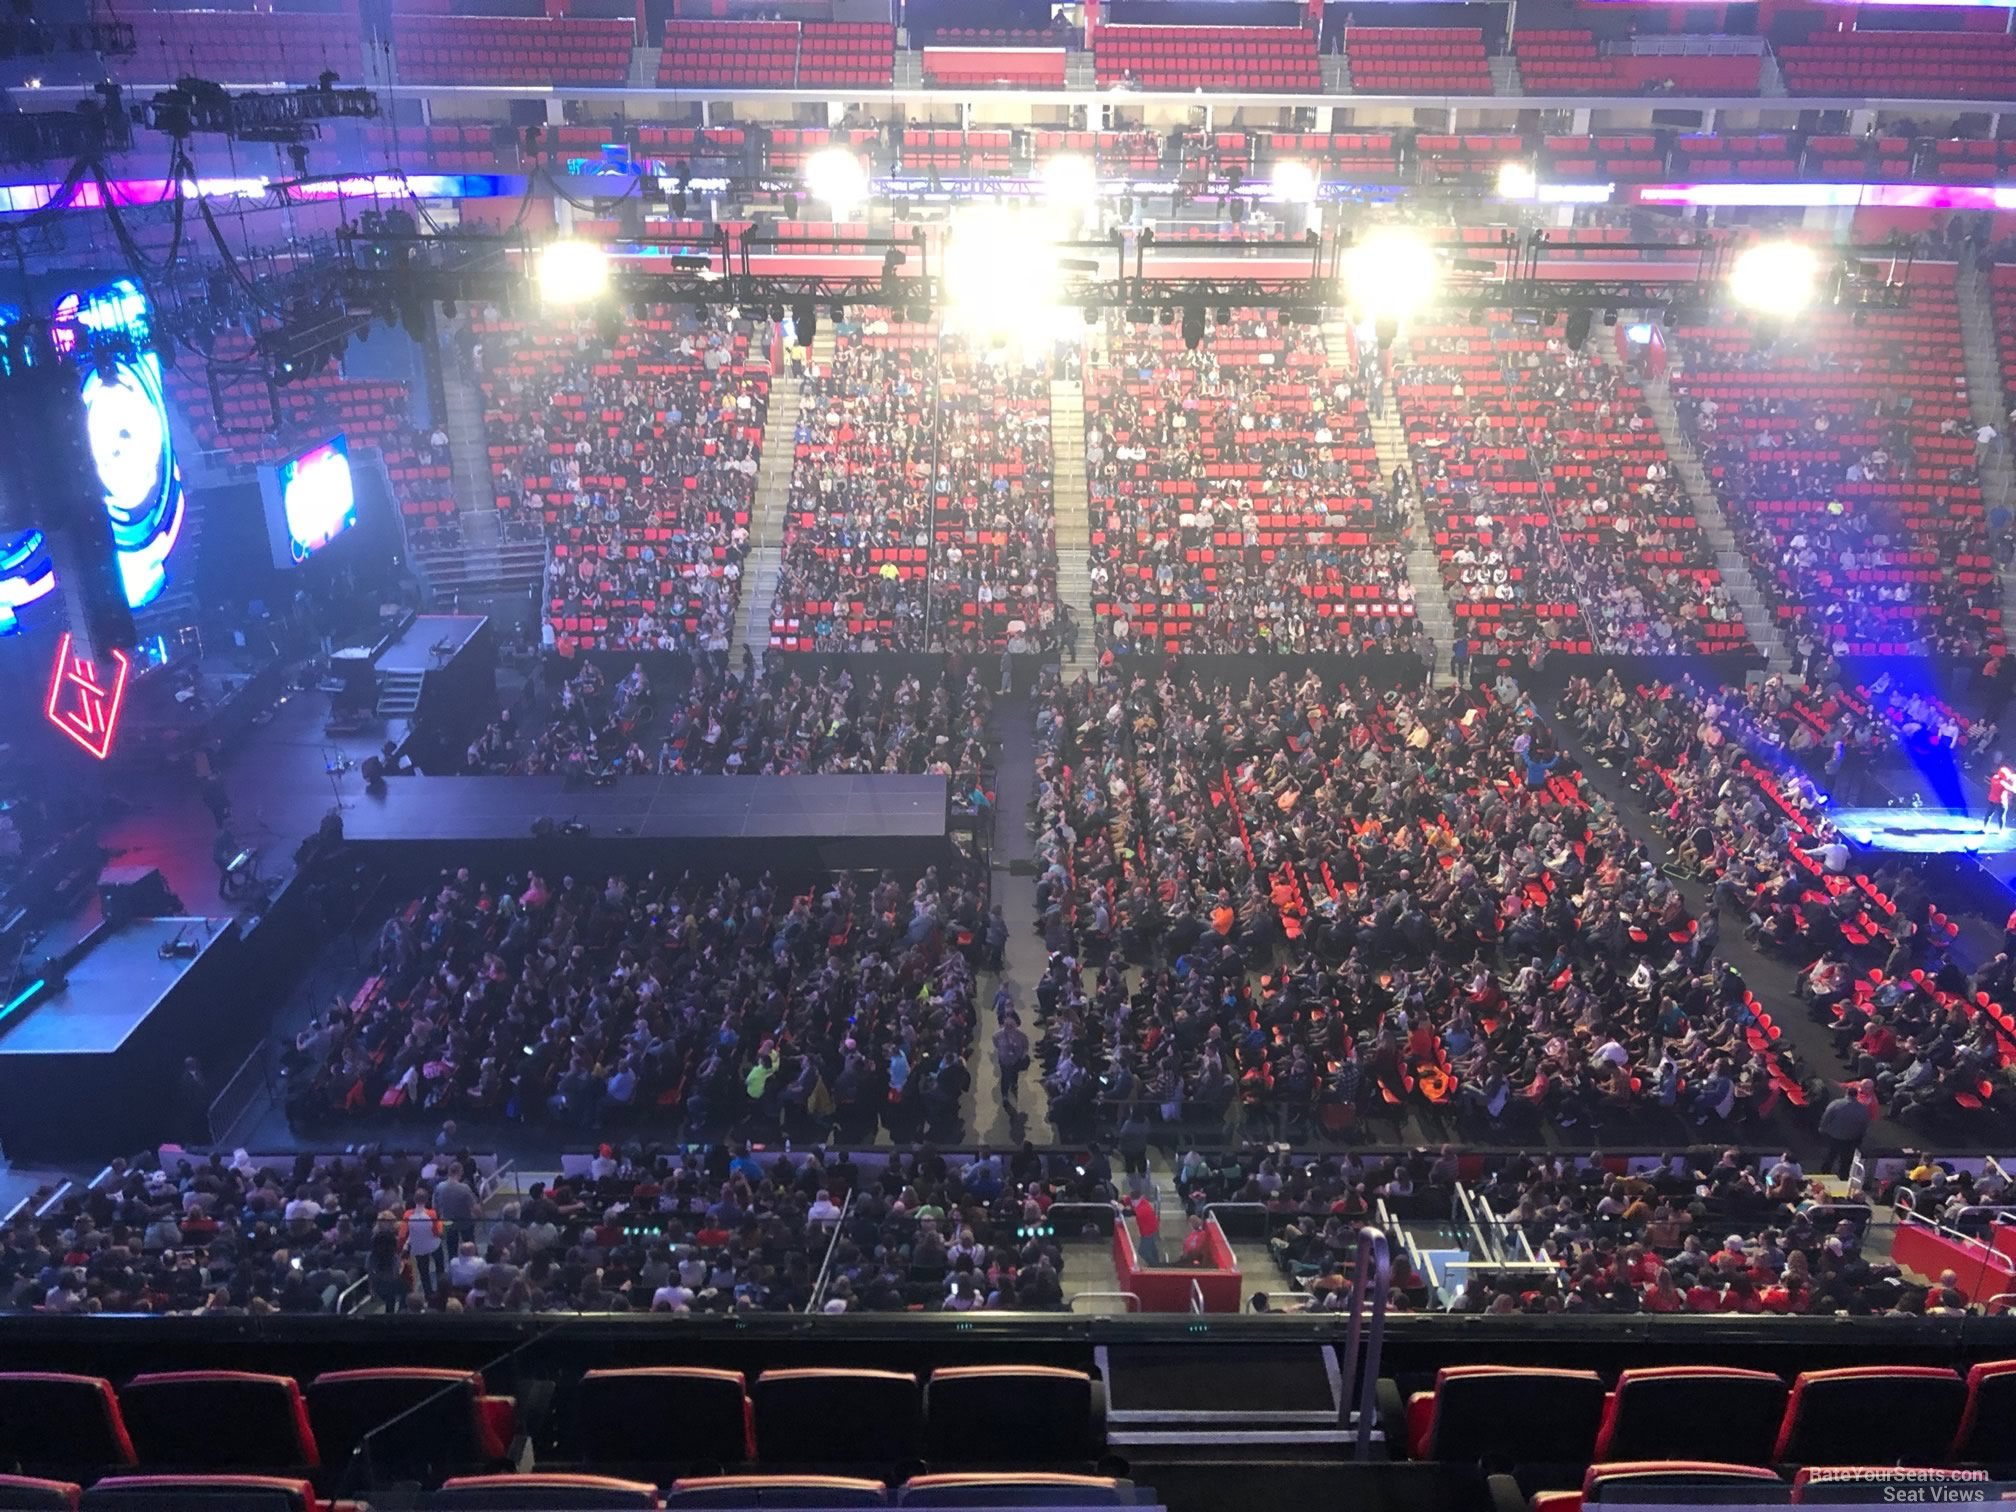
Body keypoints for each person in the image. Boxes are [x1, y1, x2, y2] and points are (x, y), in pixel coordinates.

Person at [1818, 1085, 1873, 1180]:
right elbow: (1864, 1124)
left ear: (1846, 1093)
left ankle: (1824, 1174)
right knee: (1846, 1160)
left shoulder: (1835, 1104)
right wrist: (1860, 1136)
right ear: (1856, 1095)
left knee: (1830, 1155)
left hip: (1834, 1136)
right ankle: (1843, 1177)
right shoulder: (1862, 1109)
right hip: (1851, 1139)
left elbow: (1826, 1117)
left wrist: (1822, 1128)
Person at [400, 1192, 446, 1297]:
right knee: (440, 1268)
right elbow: (437, 1232)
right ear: (426, 1200)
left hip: (418, 1248)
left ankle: (428, 1294)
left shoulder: (407, 1215)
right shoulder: (432, 1214)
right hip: (434, 1245)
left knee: (424, 1272)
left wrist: (402, 1247)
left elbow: (402, 1234)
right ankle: (442, 1290)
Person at [1130, 1192, 1162, 1266]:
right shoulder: (1142, 1202)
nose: (1132, 1203)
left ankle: (1155, 1265)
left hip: (1148, 1232)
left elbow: (1132, 1212)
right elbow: (1127, 1200)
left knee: (1142, 1251)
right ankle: (1157, 1263)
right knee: (1152, 1248)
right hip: (1151, 1230)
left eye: (1134, 1201)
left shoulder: (1142, 1209)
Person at [1988, 765, 2015, 832]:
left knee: (1989, 815)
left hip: (1992, 800)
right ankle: (2001, 830)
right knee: (2001, 817)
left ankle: (1985, 828)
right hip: (2001, 802)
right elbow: (2013, 790)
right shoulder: (2003, 784)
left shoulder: (1994, 778)